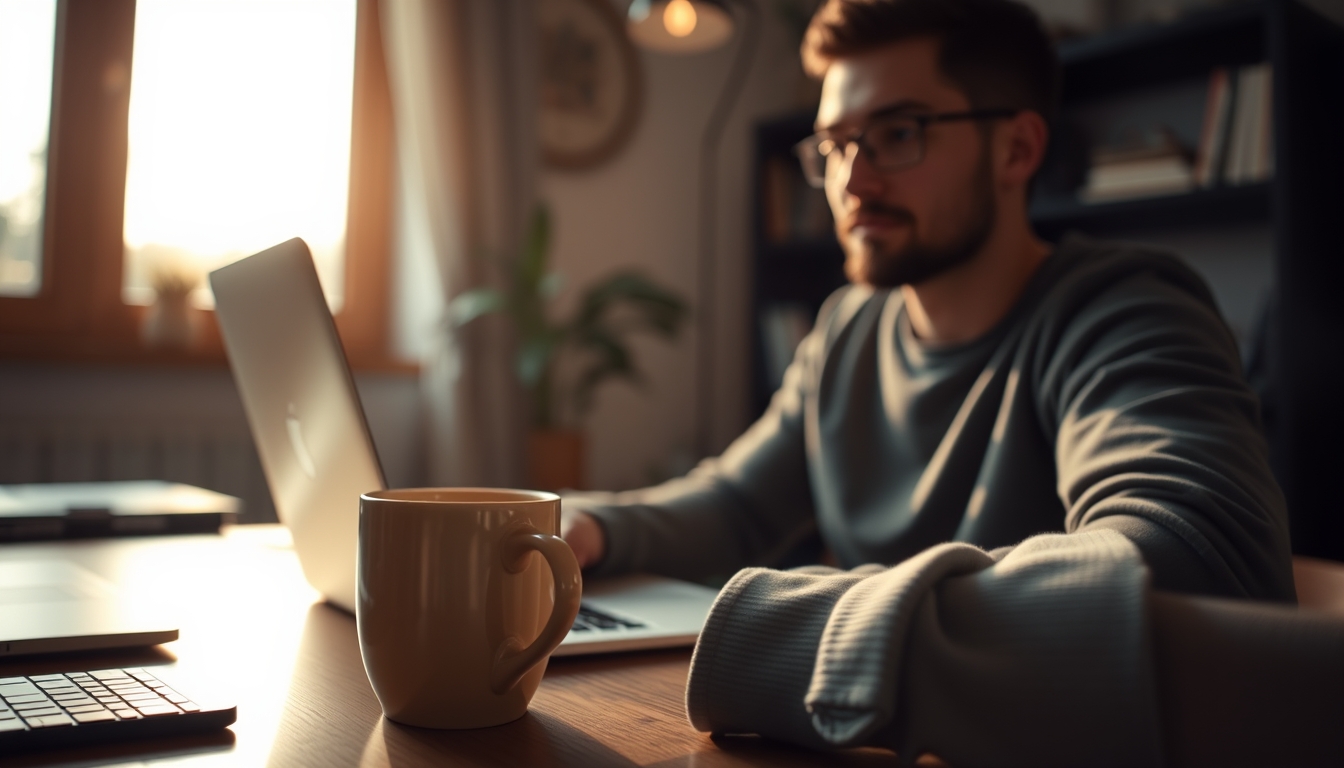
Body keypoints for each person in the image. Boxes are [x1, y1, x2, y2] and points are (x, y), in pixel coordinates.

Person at [563, 1, 1342, 764]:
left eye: (897, 134)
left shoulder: (1124, 310)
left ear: (1017, 149)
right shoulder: (847, 328)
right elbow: (736, 501)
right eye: (835, 145)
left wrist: (783, 634)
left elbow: (1198, 567)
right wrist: (587, 528)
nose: (852, 181)